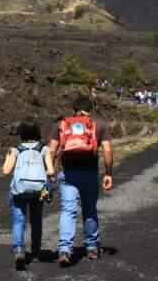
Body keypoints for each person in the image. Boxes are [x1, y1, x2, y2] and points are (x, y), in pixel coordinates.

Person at [48, 97, 113, 267]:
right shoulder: (98, 124)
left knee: (68, 211)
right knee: (90, 210)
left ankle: (65, 250)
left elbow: (52, 151)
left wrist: (51, 171)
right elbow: (107, 151)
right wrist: (108, 173)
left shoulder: (62, 124)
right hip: (90, 173)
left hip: (68, 174)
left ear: (73, 109)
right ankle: (92, 248)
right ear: (90, 110)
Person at [3, 119, 55, 271]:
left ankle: (19, 251)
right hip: (37, 190)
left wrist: (8, 156)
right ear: (37, 132)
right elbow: (51, 171)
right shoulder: (43, 149)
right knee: (36, 220)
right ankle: (36, 250)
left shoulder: (16, 149)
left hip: (19, 190)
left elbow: (6, 171)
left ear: (22, 132)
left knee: (19, 220)